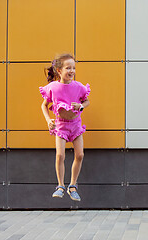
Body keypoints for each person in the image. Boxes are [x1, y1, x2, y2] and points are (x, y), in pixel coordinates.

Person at [39, 53, 90, 201]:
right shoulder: (53, 88)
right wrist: (48, 120)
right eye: (68, 68)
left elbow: (87, 102)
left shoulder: (78, 86)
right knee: (60, 155)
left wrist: (81, 106)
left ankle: (72, 186)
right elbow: (44, 105)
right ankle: (60, 185)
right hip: (61, 126)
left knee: (80, 155)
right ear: (59, 71)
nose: (72, 71)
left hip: (75, 126)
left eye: (73, 68)